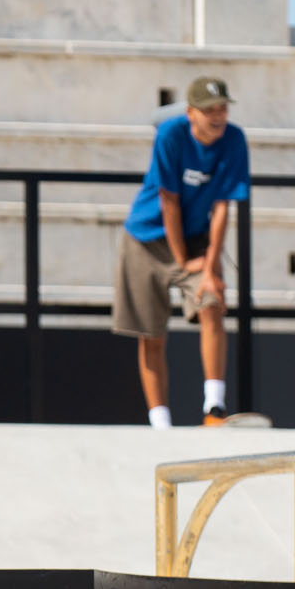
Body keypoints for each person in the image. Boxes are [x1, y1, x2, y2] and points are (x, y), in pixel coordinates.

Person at [113, 75, 249, 429]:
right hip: (146, 239)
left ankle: (214, 409)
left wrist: (210, 266)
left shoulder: (234, 140)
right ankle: (160, 424)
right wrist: (182, 259)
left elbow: (222, 207)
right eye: (209, 111)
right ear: (191, 113)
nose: (217, 116)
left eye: (222, 109)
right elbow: (168, 200)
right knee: (151, 333)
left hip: (196, 237)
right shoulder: (170, 135)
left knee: (212, 304)